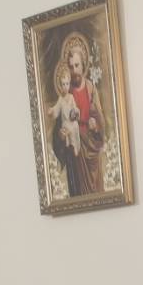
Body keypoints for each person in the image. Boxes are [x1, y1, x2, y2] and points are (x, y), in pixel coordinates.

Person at [49, 33, 105, 198]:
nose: (74, 71)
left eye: (77, 65)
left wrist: (96, 125)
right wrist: (61, 135)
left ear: (84, 64)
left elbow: (100, 121)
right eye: (71, 67)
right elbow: (59, 128)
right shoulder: (66, 95)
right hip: (76, 153)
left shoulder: (90, 89)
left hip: (92, 150)